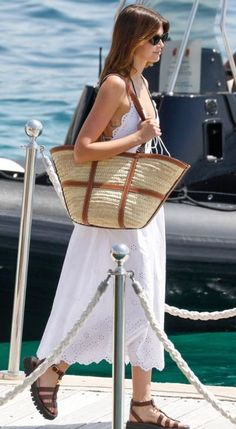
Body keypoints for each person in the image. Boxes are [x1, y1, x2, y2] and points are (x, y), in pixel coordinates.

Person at [24, 5, 189, 429]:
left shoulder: (141, 83)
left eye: (163, 38)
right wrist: (138, 136)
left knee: (144, 301)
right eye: (155, 39)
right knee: (120, 298)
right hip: (115, 215)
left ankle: (141, 404)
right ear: (134, 40)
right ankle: (54, 368)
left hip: (140, 211)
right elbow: (82, 149)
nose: (161, 46)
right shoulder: (115, 85)